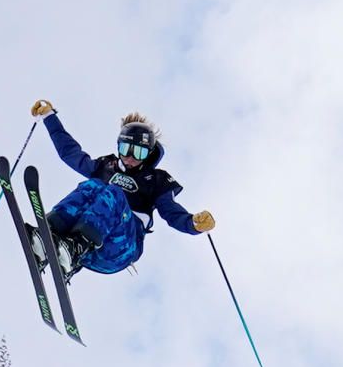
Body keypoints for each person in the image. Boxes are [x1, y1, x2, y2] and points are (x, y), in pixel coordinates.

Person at [29, 99, 215, 278]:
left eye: (139, 152)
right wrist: (49, 118)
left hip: (120, 249)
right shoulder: (106, 166)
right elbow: (71, 153)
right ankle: (50, 235)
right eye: (127, 149)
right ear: (119, 146)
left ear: (148, 154)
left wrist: (193, 224)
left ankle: (76, 246)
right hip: (89, 253)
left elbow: (172, 213)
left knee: (114, 193)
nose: (131, 157)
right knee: (92, 185)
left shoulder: (155, 180)